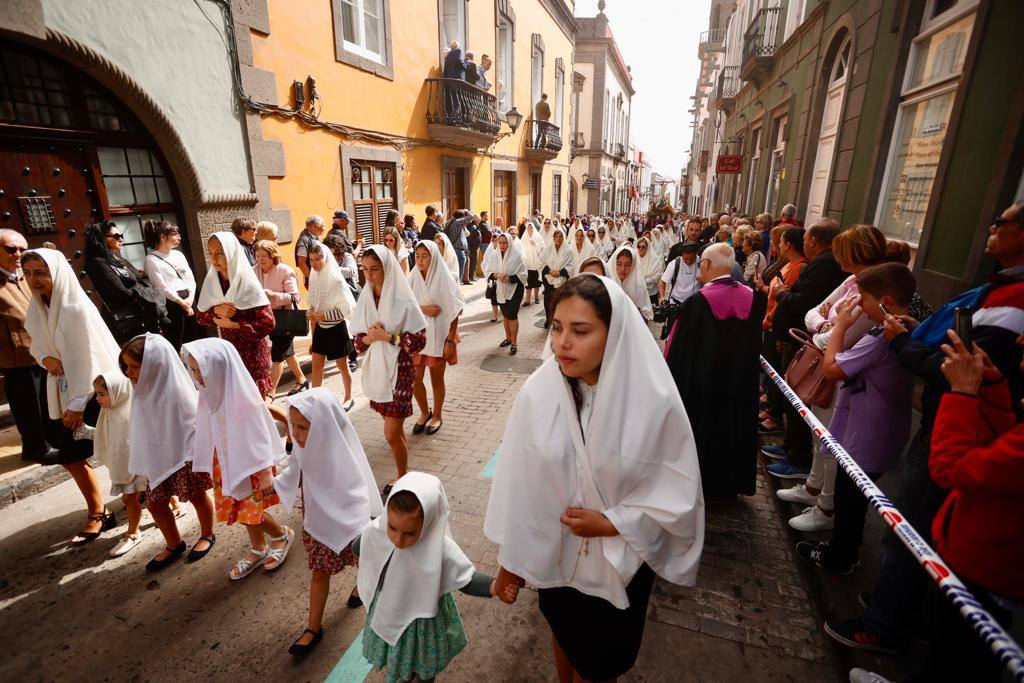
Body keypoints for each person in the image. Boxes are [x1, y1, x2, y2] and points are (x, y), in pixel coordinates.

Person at [825, 203, 1024, 656]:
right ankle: (902, 611)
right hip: (946, 422)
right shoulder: (997, 289)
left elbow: (956, 372)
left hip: (952, 428)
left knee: (911, 531)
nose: (992, 226)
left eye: (1005, 222)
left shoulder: (1012, 303)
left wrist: (905, 345)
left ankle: (887, 625)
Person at [485, 274, 704, 682]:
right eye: (556, 328)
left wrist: (613, 522)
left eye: (580, 331)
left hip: (620, 563)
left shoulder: (653, 404)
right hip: (557, 553)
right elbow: (521, 481)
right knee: (563, 631)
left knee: (599, 661)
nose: (562, 343)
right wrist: (511, 561)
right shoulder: (539, 392)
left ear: (614, 332)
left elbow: (677, 492)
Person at [795, 263, 915, 575]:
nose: (859, 304)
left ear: (886, 302)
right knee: (853, 497)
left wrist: (841, 327)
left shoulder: (880, 337)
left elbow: (832, 367)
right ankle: (843, 548)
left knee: (851, 499)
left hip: (869, 433)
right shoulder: (895, 330)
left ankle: (842, 556)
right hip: (872, 427)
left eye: (864, 299)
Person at [774, 224, 888, 530]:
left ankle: (826, 506)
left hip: (843, 378)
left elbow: (842, 338)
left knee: (831, 441)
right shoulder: (851, 280)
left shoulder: (872, 288)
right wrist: (826, 325)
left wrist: (826, 329)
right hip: (827, 367)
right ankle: (813, 487)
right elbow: (812, 312)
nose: (836, 256)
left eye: (842, 250)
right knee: (818, 434)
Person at [359, 472, 516, 683]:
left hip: (423, 624)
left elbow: (466, 579)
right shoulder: (377, 531)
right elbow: (360, 545)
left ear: (430, 523)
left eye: (410, 533)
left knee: (425, 664)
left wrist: (495, 586)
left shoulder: (439, 549)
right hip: (388, 610)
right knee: (400, 659)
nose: (398, 539)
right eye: (392, 527)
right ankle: (405, 676)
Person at [275, 388, 382, 656]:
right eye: (292, 426)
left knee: (363, 562)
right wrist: (273, 486)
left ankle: (366, 594)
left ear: (324, 426)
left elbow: (357, 493)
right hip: (319, 522)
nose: (296, 434)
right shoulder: (302, 448)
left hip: (350, 523)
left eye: (303, 427)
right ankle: (313, 627)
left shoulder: (341, 451)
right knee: (320, 571)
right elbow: (293, 470)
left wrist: (359, 528)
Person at [23, 248, 119, 544]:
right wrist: (45, 359)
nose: (34, 279)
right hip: (62, 390)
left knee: (118, 448)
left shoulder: (75, 309)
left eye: (41, 273)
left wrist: (78, 405)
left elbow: (88, 358)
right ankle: (99, 510)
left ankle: (156, 496)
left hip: (92, 392)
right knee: (70, 455)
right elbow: (35, 343)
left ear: (56, 273)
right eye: (28, 273)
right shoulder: (38, 306)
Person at [182, 338, 294, 580]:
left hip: (250, 464)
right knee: (237, 508)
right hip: (225, 463)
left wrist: (266, 471)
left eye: (202, 370)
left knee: (247, 510)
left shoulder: (242, 396)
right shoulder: (208, 395)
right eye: (193, 370)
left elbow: (260, 431)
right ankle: (258, 547)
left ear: (219, 367)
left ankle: (280, 534)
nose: (197, 376)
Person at [665, 244, 765, 502]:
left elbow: (676, 353)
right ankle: (728, 487)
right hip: (739, 386)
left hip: (702, 388)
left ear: (707, 265)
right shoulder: (754, 300)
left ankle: (701, 486)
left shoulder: (696, 303)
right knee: (732, 431)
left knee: (704, 434)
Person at [121, 333, 216, 571]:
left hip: (182, 455)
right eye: (126, 367)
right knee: (155, 505)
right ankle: (174, 544)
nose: (128, 373)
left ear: (154, 366)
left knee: (196, 495)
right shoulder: (142, 391)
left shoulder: (177, 391)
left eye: (134, 367)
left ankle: (207, 534)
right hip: (158, 458)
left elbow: (189, 425)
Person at [768, 220, 847, 476]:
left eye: (805, 240)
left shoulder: (824, 265)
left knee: (800, 397)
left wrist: (782, 293)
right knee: (792, 395)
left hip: (809, 344)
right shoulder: (823, 264)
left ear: (813, 241)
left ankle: (798, 457)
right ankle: (791, 447)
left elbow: (807, 306)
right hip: (803, 338)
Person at [350, 246, 428, 490]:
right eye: (364, 269)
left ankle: (403, 476)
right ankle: (404, 472)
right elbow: (357, 342)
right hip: (377, 370)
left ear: (387, 268)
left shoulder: (403, 299)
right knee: (395, 430)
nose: (369, 275)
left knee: (390, 433)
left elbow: (419, 340)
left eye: (374, 269)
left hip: (400, 369)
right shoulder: (366, 298)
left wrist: (388, 337)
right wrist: (368, 338)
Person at [0, 230, 58, 464]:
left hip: (41, 352)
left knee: (44, 401)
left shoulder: (24, 276)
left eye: (22, 249)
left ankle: (49, 441)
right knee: (27, 406)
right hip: (16, 357)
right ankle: (35, 448)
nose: (18, 254)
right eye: (10, 249)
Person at [195, 232, 275, 398]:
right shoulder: (213, 281)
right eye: (210, 253)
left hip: (253, 354)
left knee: (257, 404)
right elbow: (200, 316)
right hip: (229, 352)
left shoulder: (247, 281)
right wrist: (216, 310)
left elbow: (268, 322)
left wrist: (235, 325)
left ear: (231, 253)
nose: (214, 259)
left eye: (220, 253)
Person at [409, 239, 464, 436]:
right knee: (414, 379)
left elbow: (456, 309)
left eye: (425, 256)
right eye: (417, 256)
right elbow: (405, 305)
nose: (420, 260)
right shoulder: (413, 277)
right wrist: (424, 309)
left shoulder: (444, 278)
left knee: (436, 379)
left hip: (440, 336)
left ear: (433, 257)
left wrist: (450, 340)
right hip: (418, 337)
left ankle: (437, 415)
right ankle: (425, 412)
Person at [84, 221, 165, 344]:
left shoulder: (116, 257)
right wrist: (144, 297)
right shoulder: (98, 262)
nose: (121, 239)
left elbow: (136, 277)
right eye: (116, 236)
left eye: (121, 235)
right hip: (129, 318)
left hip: (143, 313)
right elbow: (120, 291)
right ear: (102, 238)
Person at [92, 371, 146, 557]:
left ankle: (133, 533)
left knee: (136, 498)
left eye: (102, 394)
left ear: (118, 392)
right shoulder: (106, 413)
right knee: (130, 498)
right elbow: (106, 439)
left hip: (139, 464)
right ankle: (134, 531)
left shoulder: (132, 412)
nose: (97, 399)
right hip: (124, 466)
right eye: (96, 394)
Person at [305, 241, 358, 412]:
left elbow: (346, 310)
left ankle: (349, 398)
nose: (314, 263)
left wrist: (325, 315)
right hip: (320, 328)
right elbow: (313, 301)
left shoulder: (336, 281)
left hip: (336, 329)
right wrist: (310, 311)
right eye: (311, 259)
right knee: (316, 366)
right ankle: (316, 401)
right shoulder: (314, 276)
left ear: (326, 258)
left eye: (318, 259)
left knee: (342, 366)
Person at [254, 240, 309, 396]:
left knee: (278, 355)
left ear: (272, 256)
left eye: (264, 256)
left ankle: (270, 393)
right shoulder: (253, 271)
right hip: (265, 319)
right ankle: (301, 379)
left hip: (284, 319)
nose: (260, 259)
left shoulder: (285, 271)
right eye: (257, 256)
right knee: (287, 352)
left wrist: (274, 295)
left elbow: (295, 297)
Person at [143, 220, 200, 350]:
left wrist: (190, 298)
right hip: (172, 303)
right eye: (175, 234)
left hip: (189, 298)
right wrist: (182, 303)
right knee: (176, 341)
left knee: (194, 337)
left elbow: (190, 278)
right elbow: (161, 287)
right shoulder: (151, 260)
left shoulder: (179, 254)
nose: (179, 237)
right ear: (163, 237)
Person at [485, 233, 528, 355]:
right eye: (500, 243)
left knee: (512, 315)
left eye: (505, 243)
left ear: (509, 243)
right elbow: (488, 271)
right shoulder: (494, 255)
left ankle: (514, 342)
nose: (502, 245)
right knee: (505, 315)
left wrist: (510, 278)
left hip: (515, 289)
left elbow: (524, 274)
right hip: (500, 289)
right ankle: (508, 338)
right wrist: (497, 275)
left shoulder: (517, 255)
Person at [539, 228, 576, 328]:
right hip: (549, 280)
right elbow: (541, 262)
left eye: (560, 237)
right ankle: (549, 319)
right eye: (556, 237)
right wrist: (549, 271)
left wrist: (560, 273)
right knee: (548, 302)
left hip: (562, 281)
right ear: (553, 238)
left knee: (560, 302)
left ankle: (559, 322)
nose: (558, 239)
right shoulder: (548, 249)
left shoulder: (568, 250)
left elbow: (571, 266)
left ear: (563, 238)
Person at [608, 244, 654, 321]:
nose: (623, 269)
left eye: (627, 265)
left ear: (633, 266)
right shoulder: (608, 284)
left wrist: (633, 308)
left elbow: (646, 315)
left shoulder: (639, 287)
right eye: (619, 264)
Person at [658, 241, 701, 306]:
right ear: (682, 255)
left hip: (695, 304)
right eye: (685, 259)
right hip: (676, 302)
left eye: (692, 259)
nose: (688, 261)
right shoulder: (675, 264)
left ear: (696, 254)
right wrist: (662, 297)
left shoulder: (701, 263)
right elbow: (662, 282)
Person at [295, 215, 326, 288]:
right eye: (322, 226)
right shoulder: (304, 240)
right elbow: (301, 263)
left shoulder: (315, 237)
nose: (324, 229)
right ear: (314, 226)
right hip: (313, 280)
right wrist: (312, 279)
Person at [443, 208, 472, 284]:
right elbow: (471, 216)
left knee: (453, 272)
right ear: (461, 217)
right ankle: (457, 287)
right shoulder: (458, 222)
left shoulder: (449, 222)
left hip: (452, 249)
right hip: (459, 251)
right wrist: (466, 211)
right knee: (459, 274)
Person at [520, 220, 545, 306]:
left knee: (536, 282)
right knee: (528, 283)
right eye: (528, 227)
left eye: (531, 227)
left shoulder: (538, 237)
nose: (530, 228)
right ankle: (527, 300)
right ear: (526, 228)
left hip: (536, 263)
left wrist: (535, 244)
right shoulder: (524, 238)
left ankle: (536, 297)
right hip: (528, 264)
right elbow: (521, 250)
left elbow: (542, 249)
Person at [466, 214, 481, 284]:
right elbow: (470, 238)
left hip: (474, 247)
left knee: (474, 261)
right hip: (472, 247)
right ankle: (471, 276)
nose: (480, 220)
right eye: (479, 218)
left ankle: (473, 275)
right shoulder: (473, 227)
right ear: (476, 220)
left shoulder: (475, 226)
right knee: (473, 261)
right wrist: (469, 247)